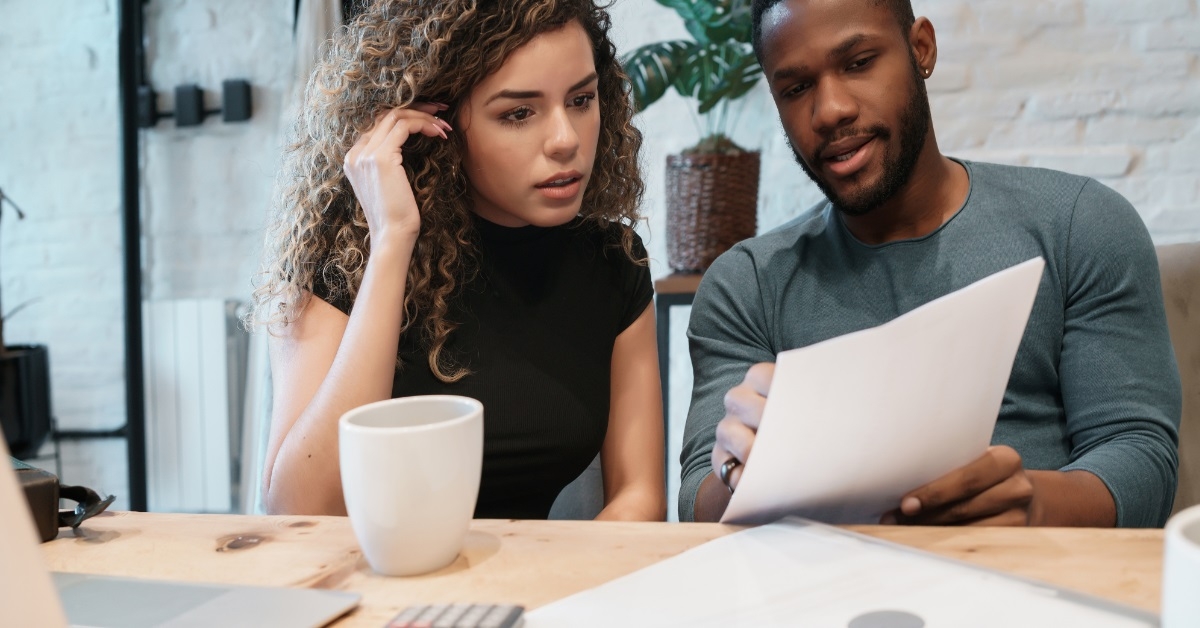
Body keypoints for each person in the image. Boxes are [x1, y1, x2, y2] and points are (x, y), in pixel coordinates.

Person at [679, 0, 1181, 527]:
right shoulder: (747, 285)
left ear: (921, 49)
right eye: (796, 88)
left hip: (1034, 590)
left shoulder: (1078, 226)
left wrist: (1033, 506)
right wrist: (744, 471)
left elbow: (1139, 456)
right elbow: (696, 505)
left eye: (858, 62)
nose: (829, 110)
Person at [251, 0, 666, 521]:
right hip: (375, 588)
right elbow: (302, 509)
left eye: (581, 99)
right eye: (518, 113)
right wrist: (392, 237)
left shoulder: (612, 261)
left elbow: (639, 498)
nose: (566, 140)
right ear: (432, 120)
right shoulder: (344, 261)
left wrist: (561, 592)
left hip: (540, 590)